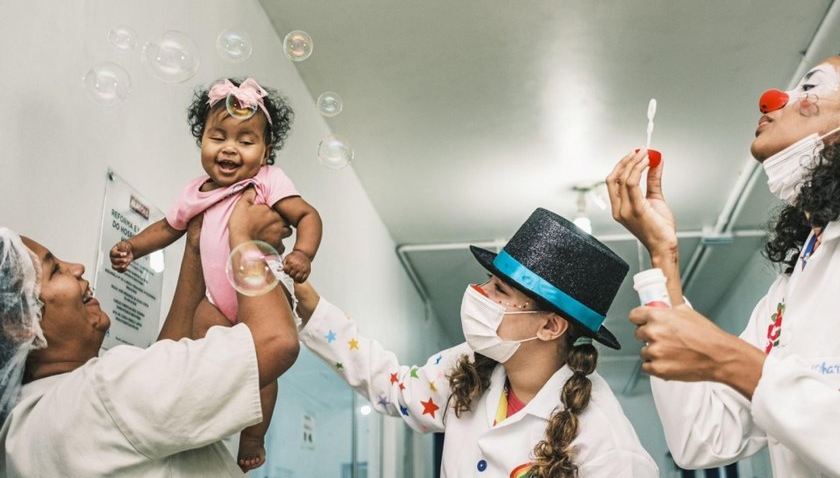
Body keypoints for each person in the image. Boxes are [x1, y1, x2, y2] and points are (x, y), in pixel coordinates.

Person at [293, 208, 659, 477]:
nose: (477, 293)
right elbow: (392, 386)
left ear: (550, 325)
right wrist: (314, 312)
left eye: (498, 290)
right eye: (489, 281)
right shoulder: (468, 364)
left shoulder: (607, 445)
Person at [607, 56, 840, 476]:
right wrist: (665, 256)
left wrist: (729, 358)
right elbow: (703, 438)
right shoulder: (790, 289)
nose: (771, 101)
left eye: (811, 88)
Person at [0, 190, 300, 476]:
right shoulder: (103, 392)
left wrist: (197, 245)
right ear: (19, 325)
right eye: (55, 271)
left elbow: (157, 386)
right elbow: (274, 341)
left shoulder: (19, 432)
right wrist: (247, 241)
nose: (76, 267)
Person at [109, 77, 322, 470]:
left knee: (262, 362)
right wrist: (134, 246)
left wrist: (304, 253)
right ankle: (198, 415)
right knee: (205, 344)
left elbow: (307, 215)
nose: (229, 148)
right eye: (218, 136)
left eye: (245, 140)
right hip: (216, 302)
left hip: (262, 291)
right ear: (202, 140)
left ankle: (253, 435)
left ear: (266, 151)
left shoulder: (268, 181)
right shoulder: (195, 191)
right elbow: (169, 228)